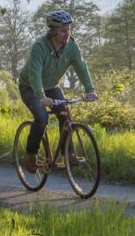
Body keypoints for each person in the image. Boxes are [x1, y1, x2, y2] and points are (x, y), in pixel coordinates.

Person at [18, 10, 97, 173]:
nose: (67, 33)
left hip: (52, 86)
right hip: (30, 87)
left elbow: (81, 67)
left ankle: (66, 153)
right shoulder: (39, 46)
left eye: (69, 29)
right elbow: (35, 74)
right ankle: (31, 154)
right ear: (53, 31)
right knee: (42, 117)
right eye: (63, 30)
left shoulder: (72, 46)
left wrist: (90, 89)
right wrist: (41, 97)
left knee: (64, 114)